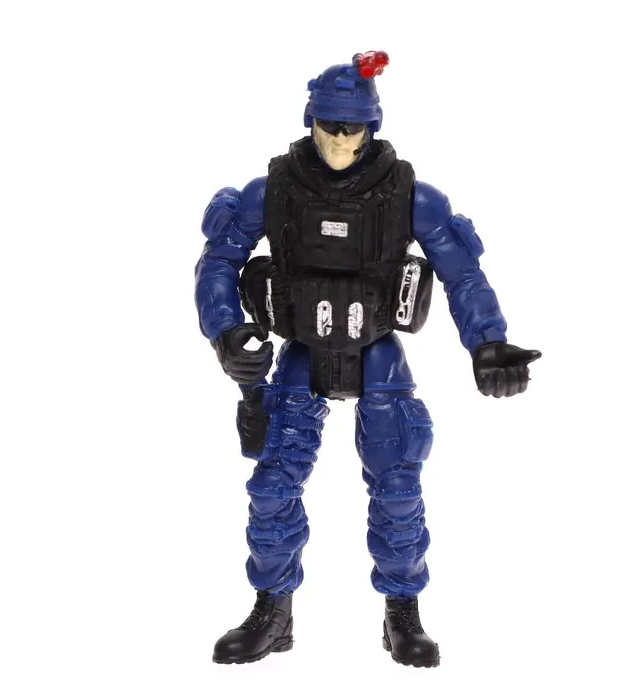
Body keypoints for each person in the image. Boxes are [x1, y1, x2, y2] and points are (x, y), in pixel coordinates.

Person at [194, 50, 541, 668]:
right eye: (328, 125)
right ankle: (273, 611)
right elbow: (217, 261)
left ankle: (402, 613)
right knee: (272, 487)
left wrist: (488, 344)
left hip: (377, 354)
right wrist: (226, 331)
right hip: (301, 352)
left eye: (351, 127)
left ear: (371, 127)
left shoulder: (411, 197)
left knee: (398, 489)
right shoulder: (271, 192)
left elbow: (462, 275)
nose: (339, 138)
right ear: (310, 120)